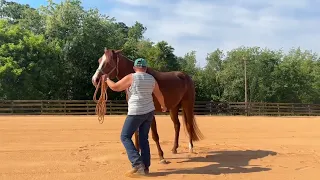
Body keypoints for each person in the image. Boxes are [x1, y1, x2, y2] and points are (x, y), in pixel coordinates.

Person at [105, 58, 167, 176]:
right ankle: (146, 167)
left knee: (125, 136)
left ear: (134, 68)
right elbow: (158, 94)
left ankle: (137, 164)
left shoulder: (131, 77)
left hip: (136, 112)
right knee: (144, 139)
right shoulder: (151, 78)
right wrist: (163, 106)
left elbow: (116, 87)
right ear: (146, 68)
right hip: (149, 112)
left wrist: (107, 79)